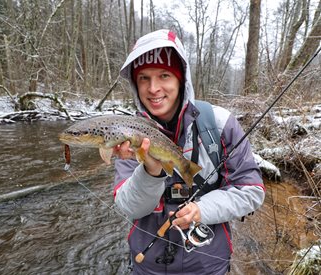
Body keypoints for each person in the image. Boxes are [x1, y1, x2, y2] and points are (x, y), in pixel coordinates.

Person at [113, 29, 265, 274]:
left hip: (208, 263)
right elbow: (131, 208)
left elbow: (251, 192)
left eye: (164, 75)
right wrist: (150, 172)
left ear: (181, 79)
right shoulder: (127, 132)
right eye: (143, 78)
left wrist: (201, 210)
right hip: (147, 264)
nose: (153, 88)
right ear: (135, 83)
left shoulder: (220, 123)